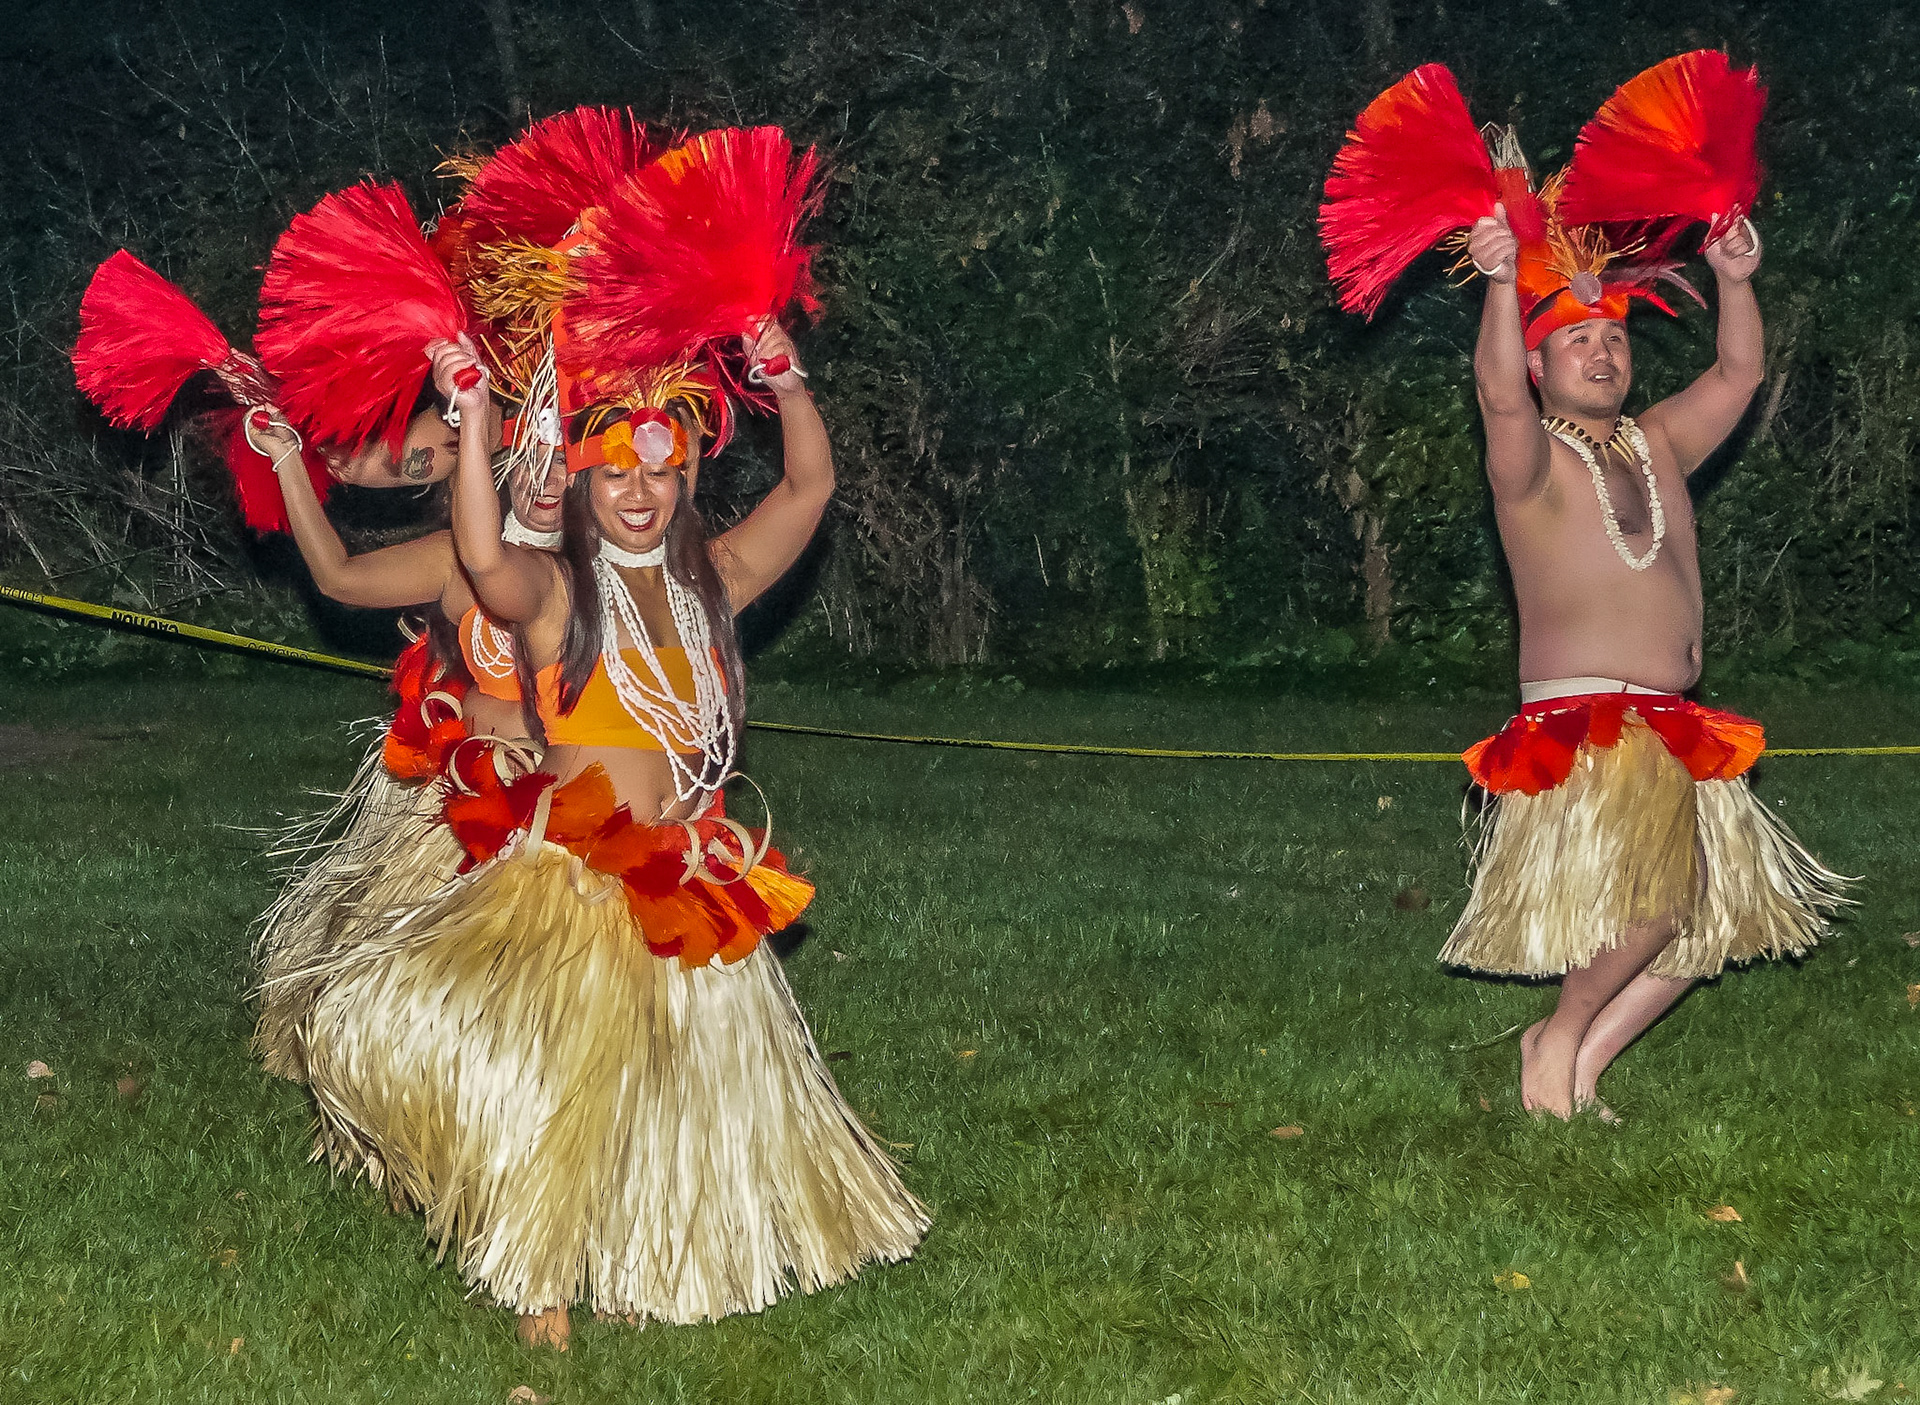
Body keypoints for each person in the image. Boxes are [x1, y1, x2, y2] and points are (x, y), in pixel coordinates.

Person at [293, 322, 926, 1350]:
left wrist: (788, 380)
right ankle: (534, 1260)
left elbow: (806, 491)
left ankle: (642, 1250)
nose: (640, 490)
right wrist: (475, 417)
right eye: (616, 472)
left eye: (661, 471)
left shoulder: (713, 580)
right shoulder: (553, 595)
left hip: (684, 875)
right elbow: (486, 552)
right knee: (549, 1076)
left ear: (684, 482)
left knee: (662, 1086)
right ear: (583, 485)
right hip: (573, 878)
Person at [1441, 205, 1849, 1119]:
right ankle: (1553, 1035)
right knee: (1658, 909)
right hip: (1590, 722)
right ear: (1541, 364)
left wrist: (1734, 278)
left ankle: (1583, 1064)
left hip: (1676, 723)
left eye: (1614, 339)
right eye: (1577, 339)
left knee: (1707, 920)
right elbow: (1496, 391)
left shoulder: (1656, 442)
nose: (1602, 353)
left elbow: (1740, 370)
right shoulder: (1532, 462)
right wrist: (1502, 282)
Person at [246, 397, 565, 1083]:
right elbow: (341, 575)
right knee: (433, 989)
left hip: (580, 802)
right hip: (471, 805)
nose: (549, 481)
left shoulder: (619, 560)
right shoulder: (457, 555)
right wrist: (289, 457)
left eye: (565, 464)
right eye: (533, 464)